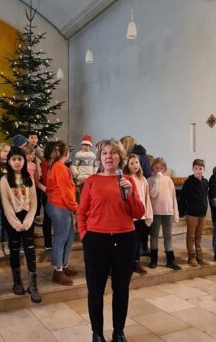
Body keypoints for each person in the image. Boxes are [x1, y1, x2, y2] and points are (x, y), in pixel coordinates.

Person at [77, 139, 146, 342]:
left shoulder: (128, 181)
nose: (109, 156)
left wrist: (130, 194)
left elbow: (138, 212)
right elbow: (81, 212)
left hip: (124, 239)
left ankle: (118, 332)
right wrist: (85, 236)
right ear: (100, 158)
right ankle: (97, 333)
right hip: (96, 240)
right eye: (105, 153)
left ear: (120, 158)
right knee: (96, 290)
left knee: (121, 289)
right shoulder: (91, 181)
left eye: (113, 153)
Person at [0, 146, 41, 303]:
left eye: (20, 159)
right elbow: (6, 204)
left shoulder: (28, 178)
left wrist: (28, 220)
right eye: (14, 159)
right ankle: (17, 282)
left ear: (24, 160)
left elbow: (34, 201)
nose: (17, 162)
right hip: (13, 220)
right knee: (14, 249)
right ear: (9, 161)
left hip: (27, 219)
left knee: (30, 250)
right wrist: (16, 223)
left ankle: (33, 285)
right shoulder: (4, 180)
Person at [45, 141, 78, 286]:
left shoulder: (58, 166)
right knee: (61, 238)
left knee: (69, 236)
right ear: (67, 153)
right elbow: (66, 192)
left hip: (62, 206)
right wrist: (76, 208)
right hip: (59, 206)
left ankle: (64, 266)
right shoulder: (60, 167)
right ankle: (57, 272)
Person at [148, 157, 181, 270]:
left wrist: (175, 213)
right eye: (157, 168)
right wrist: (157, 180)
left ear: (164, 169)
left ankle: (170, 260)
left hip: (168, 212)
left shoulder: (169, 180)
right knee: (154, 235)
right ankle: (153, 260)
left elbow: (173, 197)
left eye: (161, 168)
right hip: (155, 212)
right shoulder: (150, 180)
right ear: (152, 168)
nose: (159, 170)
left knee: (168, 235)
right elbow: (152, 195)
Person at [124, 154, 153, 274]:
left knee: (137, 240)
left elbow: (146, 197)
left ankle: (136, 263)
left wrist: (148, 213)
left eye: (136, 162)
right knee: (129, 241)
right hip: (130, 216)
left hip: (141, 214)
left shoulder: (143, 179)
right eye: (132, 163)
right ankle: (128, 263)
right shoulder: (125, 179)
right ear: (127, 165)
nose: (135, 165)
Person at [182, 159, 209, 266]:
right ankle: (191, 257)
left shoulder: (205, 181)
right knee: (191, 236)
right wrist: (183, 211)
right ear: (193, 169)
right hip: (192, 213)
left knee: (199, 236)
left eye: (201, 169)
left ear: (204, 169)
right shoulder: (189, 182)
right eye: (196, 169)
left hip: (202, 213)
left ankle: (199, 256)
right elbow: (183, 197)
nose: (198, 171)